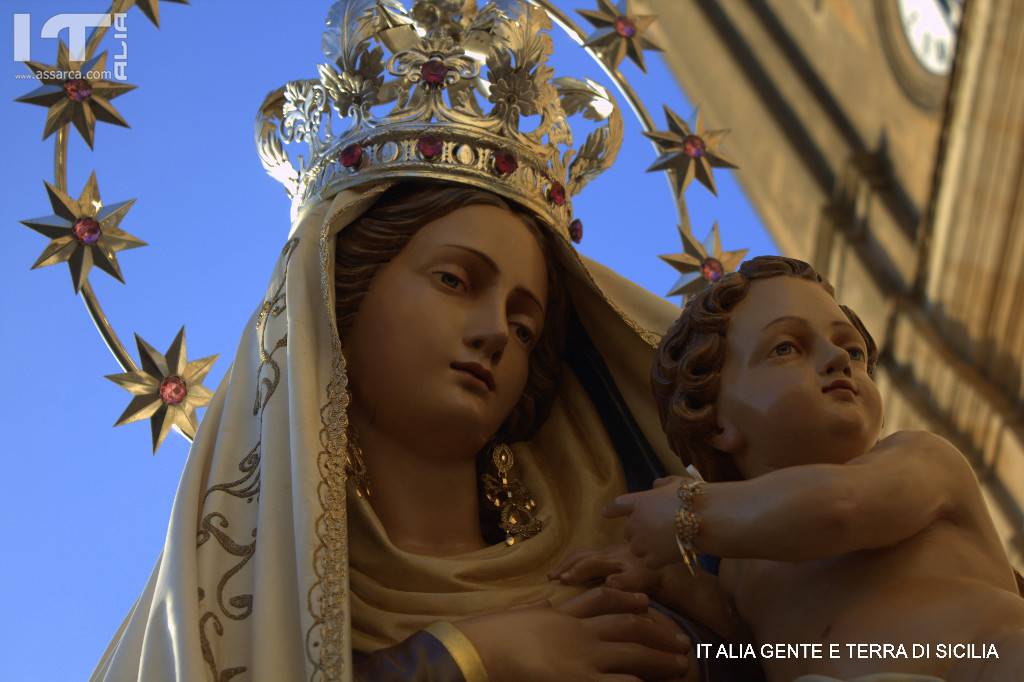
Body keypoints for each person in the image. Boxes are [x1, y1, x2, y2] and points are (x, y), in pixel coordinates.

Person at [88, 1, 759, 679]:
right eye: (454, 280)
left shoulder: (637, 567)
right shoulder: (233, 607)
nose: (497, 331)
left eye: (526, 327)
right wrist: (467, 657)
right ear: (338, 297)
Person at [592, 255, 1024, 682]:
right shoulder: (739, 567)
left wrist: (690, 512)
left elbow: (841, 507)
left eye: (853, 350)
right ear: (715, 419)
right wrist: (668, 582)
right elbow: (747, 641)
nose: (838, 357)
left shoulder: (923, 458)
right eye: (786, 348)